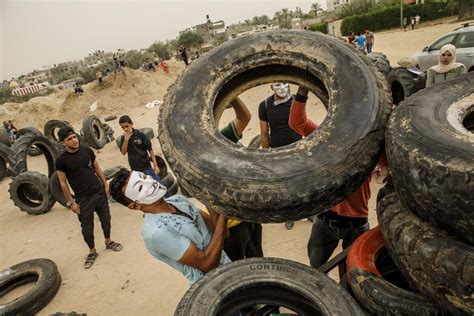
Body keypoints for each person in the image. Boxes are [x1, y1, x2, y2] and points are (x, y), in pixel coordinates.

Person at [289, 87, 370, 268]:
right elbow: (297, 123)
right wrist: (302, 91)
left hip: (356, 222)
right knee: (316, 269)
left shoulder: (371, 142)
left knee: (353, 274)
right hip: (326, 217)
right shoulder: (328, 138)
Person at [109, 169, 230, 285]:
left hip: (230, 268)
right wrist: (224, 214)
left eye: (144, 177)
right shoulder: (156, 232)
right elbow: (208, 264)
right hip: (213, 286)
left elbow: (222, 233)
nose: (149, 182)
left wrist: (207, 197)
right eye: (140, 187)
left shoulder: (178, 200)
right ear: (134, 206)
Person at [55, 127, 122, 269]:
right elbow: (63, 183)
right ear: (63, 143)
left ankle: (108, 241)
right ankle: (92, 251)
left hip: (98, 192)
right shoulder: (62, 161)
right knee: (87, 227)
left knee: (106, 219)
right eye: (69, 139)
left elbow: (97, 167)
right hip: (83, 198)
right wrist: (71, 202)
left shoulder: (87, 151)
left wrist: (105, 184)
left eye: (74, 137)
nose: (74, 140)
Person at [220, 97, 264, 260]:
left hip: (250, 214)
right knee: (238, 269)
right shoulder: (193, 151)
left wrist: (230, 95)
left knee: (258, 259)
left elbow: (244, 117)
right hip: (230, 226)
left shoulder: (222, 137)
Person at [259, 82, 302, 230]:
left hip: (298, 149)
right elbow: (264, 133)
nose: (282, 87)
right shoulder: (264, 105)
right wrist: (266, 156)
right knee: (284, 185)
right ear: (271, 86)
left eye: (285, 83)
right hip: (278, 151)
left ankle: (309, 211)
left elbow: (302, 122)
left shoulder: (297, 101)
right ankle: (289, 215)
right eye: (277, 84)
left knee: (301, 181)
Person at [118, 115, 161, 181]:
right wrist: (126, 140)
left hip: (146, 167)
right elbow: (123, 152)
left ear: (131, 124)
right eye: (123, 127)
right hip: (135, 170)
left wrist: (155, 166)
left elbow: (150, 150)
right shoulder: (123, 138)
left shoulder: (141, 135)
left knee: (157, 184)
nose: (125, 129)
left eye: (127, 126)